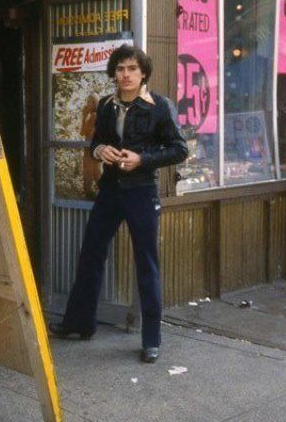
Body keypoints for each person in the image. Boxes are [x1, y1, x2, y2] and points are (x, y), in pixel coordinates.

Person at [48, 45, 188, 363]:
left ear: (143, 74)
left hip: (141, 192)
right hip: (110, 191)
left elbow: (179, 150)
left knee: (147, 264)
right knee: (90, 255)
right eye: (120, 69)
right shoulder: (108, 106)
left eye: (131, 69)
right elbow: (97, 141)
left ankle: (151, 340)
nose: (125, 75)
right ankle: (80, 324)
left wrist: (142, 159)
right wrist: (100, 152)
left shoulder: (159, 107)